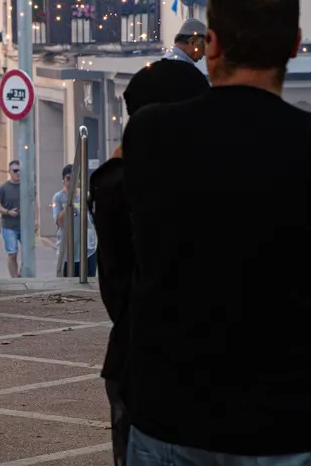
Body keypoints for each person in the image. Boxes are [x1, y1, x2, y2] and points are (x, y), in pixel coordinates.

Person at [123, 0, 311, 463]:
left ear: (210, 44)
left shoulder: (150, 135)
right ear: (295, 44)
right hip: (289, 422)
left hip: (172, 412)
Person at [88, 60, 209, 466]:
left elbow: (115, 292)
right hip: (176, 371)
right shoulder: (198, 184)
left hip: (136, 362)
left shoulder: (117, 185)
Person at [53, 164, 96, 278]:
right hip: (67, 249)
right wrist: (68, 205)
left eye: (75, 178)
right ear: (63, 180)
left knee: (89, 280)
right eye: (68, 178)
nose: (71, 182)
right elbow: (59, 222)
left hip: (87, 247)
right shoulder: (58, 197)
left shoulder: (85, 195)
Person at [0, 160, 22, 278]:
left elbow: (34, 203)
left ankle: (21, 274)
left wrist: (35, 220)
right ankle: (14, 277)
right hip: (9, 226)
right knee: (12, 253)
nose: (18, 173)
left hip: (24, 225)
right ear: (9, 172)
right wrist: (8, 212)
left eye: (20, 170)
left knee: (28, 253)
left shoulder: (26, 186)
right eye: (15, 171)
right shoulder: (3, 188)